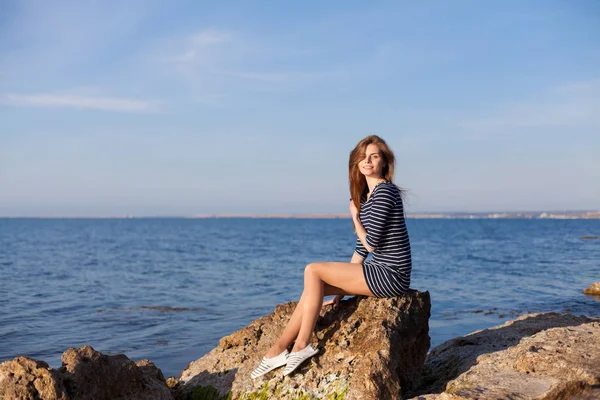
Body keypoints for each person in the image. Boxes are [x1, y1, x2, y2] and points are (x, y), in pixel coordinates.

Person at [251, 135, 412, 379]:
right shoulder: (367, 198)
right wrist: (339, 291)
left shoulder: (385, 193)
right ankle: (277, 351)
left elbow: (372, 244)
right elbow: (360, 250)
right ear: (356, 162)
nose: (367, 161)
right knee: (312, 288)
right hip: (379, 272)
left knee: (312, 270)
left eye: (374, 156)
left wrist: (355, 218)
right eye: (363, 156)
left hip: (391, 275)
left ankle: (302, 345)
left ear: (384, 163)